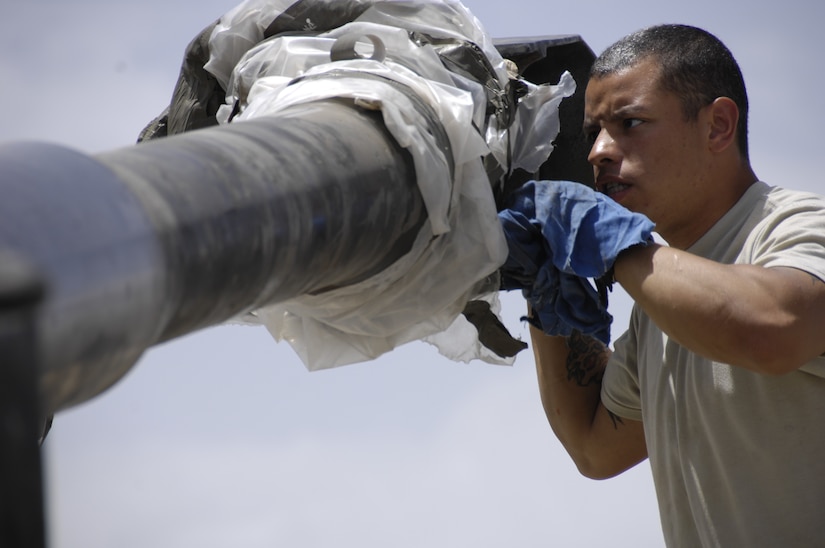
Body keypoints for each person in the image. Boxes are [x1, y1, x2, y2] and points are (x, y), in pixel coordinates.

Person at [525, 24, 825, 546]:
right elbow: (596, 446)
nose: (598, 152)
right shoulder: (661, 301)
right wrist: (549, 276)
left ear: (717, 126)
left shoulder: (799, 228)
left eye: (631, 123)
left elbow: (771, 329)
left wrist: (610, 243)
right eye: (592, 131)